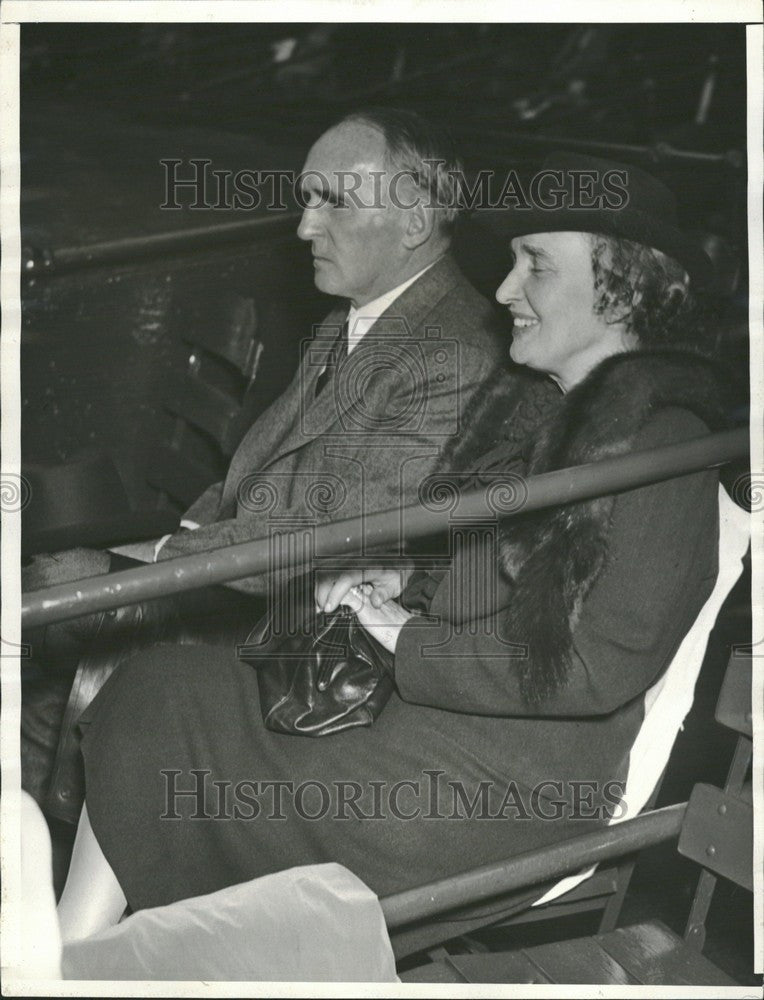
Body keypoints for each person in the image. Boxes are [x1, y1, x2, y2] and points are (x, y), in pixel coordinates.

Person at [57, 153, 730, 950]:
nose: (506, 289)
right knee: (166, 684)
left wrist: (406, 639)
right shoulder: (549, 417)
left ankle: (81, 956)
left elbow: (593, 666)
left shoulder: (664, 447)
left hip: (507, 785)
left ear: (620, 288)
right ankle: (74, 949)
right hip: (437, 724)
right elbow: (499, 577)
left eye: (536, 266)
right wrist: (405, 580)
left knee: (195, 733)